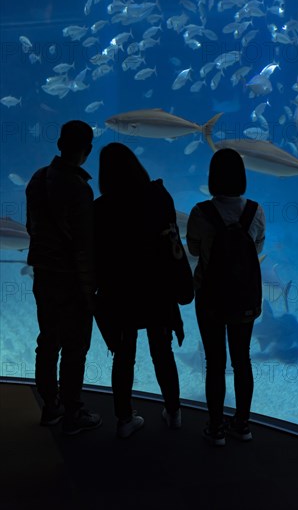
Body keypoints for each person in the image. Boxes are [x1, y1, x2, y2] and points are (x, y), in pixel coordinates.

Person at [93, 142, 184, 439]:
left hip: (121, 293)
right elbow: (173, 242)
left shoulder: (101, 207)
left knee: (123, 355)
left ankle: (124, 419)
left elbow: (98, 255)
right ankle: (173, 412)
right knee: (163, 352)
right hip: (157, 289)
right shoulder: (159, 196)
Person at [26, 120, 102, 435]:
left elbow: (32, 226)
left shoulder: (37, 179)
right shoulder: (79, 187)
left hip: (44, 275)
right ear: (87, 151)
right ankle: (73, 412)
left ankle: (50, 407)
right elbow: (85, 241)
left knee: (47, 341)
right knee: (74, 347)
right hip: (72, 279)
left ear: (59, 145)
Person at [186, 148, 265, 446]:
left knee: (215, 362)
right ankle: (242, 425)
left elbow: (194, 251)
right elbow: (256, 248)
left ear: (212, 178)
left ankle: (216, 427)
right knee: (242, 359)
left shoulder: (199, 212)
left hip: (210, 298)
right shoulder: (256, 211)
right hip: (244, 299)